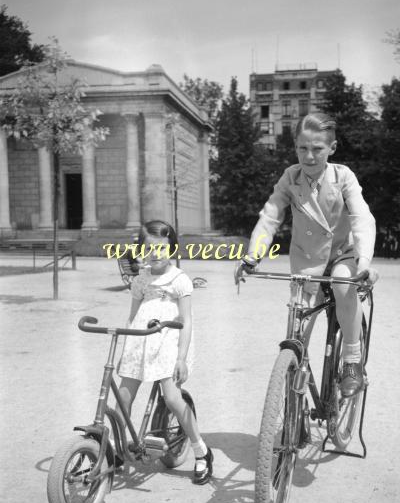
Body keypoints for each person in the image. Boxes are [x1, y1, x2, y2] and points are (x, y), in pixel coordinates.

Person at [236, 112, 378, 398]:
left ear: (332, 148)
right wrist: (252, 256)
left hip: (343, 253)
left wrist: (363, 262)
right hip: (307, 260)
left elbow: (362, 216)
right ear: (295, 147)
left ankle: (352, 359)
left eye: (317, 149)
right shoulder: (291, 176)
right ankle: (294, 406)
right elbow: (271, 215)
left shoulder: (343, 176)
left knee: (342, 283)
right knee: (297, 331)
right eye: (303, 148)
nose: (309, 156)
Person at [117, 220, 213, 484]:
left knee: (171, 397)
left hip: (168, 342)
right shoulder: (140, 281)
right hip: (141, 341)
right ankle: (112, 450)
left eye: (162, 248)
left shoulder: (179, 279)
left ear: (171, 248)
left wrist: (181, 357)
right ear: (142, 250)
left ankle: (200, 450)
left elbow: (187, 319)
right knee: (123, 397)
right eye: (150, 248)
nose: (156, 253)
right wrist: (126, 350)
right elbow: (133, 316)